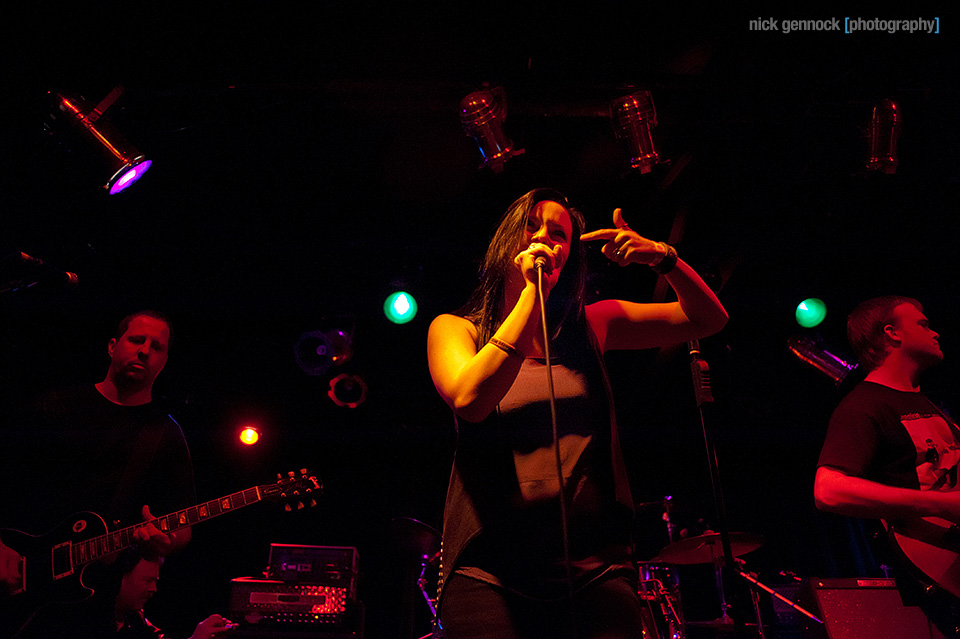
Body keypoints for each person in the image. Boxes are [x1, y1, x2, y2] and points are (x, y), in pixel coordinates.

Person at [426, 188, 728, 639]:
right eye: (532, 226)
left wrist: (664, 258)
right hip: (489, 576)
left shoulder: (593, 325)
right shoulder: (456, 329)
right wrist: (534, 293)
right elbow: (470, 400)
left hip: (596, 571)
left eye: (559, 234)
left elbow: (709, 319)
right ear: (506, 240)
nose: (544, 239)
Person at [0, 310, 196, 638]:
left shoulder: (165, 434)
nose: (145, 350)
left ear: (164, 361)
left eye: (157, 346)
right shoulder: (55, 407)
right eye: (137, 340)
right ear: (112, 345)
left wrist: (165, 541)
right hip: (13, 578)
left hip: (95, 604)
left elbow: (184, 529)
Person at [814, 296, 960, 636]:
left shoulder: (924, 401)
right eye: (923, 324)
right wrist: (943, 505)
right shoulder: (863, 406)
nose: (935, 332)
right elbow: (828, 490)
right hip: (940, 573)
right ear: (892, 334)